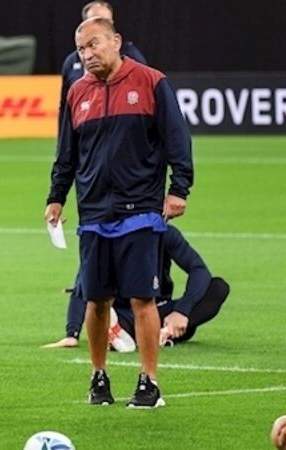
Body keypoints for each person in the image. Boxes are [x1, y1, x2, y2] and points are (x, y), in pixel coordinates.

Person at [44, 17, 193, 408]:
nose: (87, 54)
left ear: (116, 41)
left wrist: (179, 189)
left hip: (140, 208)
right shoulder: (77, 92)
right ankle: (99, 377)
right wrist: (56, 197)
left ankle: (149, 382)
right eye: (81, 49)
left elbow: (177, 138)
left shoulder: (151, 82)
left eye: (93, 44)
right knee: (96, 300)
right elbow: (66, 153)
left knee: (143, 298)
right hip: (93, 211)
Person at [43, 226, 230, 350]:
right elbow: (83, 285)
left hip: (160, 310)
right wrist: (72, 333)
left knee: (218, 288)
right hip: (126, 312)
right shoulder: (108, 237)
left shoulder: (164, 233)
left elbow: (199, 270)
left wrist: (182, 311)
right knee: (114, 310)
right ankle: (129, 330)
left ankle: (161, 333)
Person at [60, 1, 147, 110]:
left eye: (106, 21)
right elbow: (65, 105)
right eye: (96, 20)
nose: (101, 26)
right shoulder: (71, 62)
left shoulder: (131, 55)